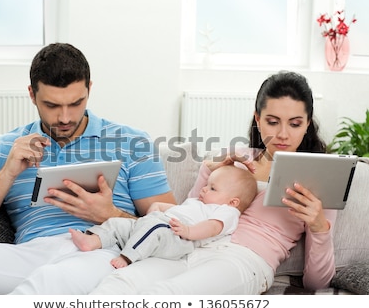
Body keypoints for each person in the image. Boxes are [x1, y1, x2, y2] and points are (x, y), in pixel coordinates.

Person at [0, 43, 176, 295]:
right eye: (52, 106)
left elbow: (176, 229)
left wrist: (109, 214)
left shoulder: (132, 143)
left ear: (89, 89)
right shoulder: (2, 149)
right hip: (26, 256)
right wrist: (7, 174)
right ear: (32, 95)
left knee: (52, 278)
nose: (65, 118)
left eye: (76, 103)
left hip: (99, 251)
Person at [90, 71, 337, 295]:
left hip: (244, 260)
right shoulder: (234, 157)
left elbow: (318, 283)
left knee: (165, 296)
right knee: (119, 283)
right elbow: (189, 214)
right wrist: (207, 170)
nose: (283, 134)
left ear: (307, 124)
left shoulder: (318, 178)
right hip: (190, 246)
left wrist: (318, 226)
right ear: (258, 119)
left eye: (294, 123)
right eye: (273, 121)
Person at [70, 165, 257, 269]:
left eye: (213, 188)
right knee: (119, 223)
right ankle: (93, 240)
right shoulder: (197, 204)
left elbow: (212, 227)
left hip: (180, 239)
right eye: (207, 184)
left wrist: (189, 231)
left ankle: (127, 258)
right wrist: (156, 207)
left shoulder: (226, 211)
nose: (204, 188)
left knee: (155, 228)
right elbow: (172, 209)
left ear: (233, 202)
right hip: (161, 226)